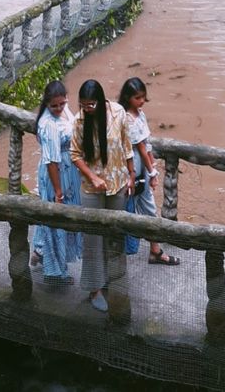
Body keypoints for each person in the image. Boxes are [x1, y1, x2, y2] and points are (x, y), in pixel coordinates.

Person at [70, 79, 134, 313]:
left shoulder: (117, 113)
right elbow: (75, 154)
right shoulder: (78, 121)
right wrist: (93, 177)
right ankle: (94, 288)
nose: (87, 109)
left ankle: (113, 279)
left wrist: (131, 175)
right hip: (92, 188)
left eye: (91, 105)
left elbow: (127, 145)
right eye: (83, 105)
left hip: (117, 183)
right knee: (93, 240)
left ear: (101, 100)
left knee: (115, 235)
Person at [118, 77, 179, 266]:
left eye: (143, 97)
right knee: (130, 209)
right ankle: (132, 249)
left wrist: (152, 168)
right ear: (128, 98)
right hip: (133, 168)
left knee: (146, 209)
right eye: (138, 98)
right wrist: (152, 172)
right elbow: (142, 150)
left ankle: (154, 249)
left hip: (141, 166)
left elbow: (147, 145)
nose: (141, 101)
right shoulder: (128, 119)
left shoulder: (139, 114)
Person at [31, 81, 82, 287]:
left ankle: (40, 251)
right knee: (57, 222)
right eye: (55, 106)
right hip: (57, 175)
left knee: (54, 220)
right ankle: (55, 273)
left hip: (68, 171)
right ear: (47, 104)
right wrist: (58, 190)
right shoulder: (49, 125)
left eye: (62, 103)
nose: (59, 108)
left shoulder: (63, 112)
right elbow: (52, 161)